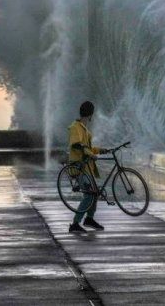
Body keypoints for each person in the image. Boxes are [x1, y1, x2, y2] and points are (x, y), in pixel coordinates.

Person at [68, 100, 108, 233]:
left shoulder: (84, 129)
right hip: (79, 168)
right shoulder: (75, 127)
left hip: (87, 168)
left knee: (94, 193)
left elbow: (87, 147)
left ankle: (89, 219)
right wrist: (90, 154)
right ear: (91, 115)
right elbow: (76, 145)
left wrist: (100, 150)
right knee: (89, 195)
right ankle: (75, 224)